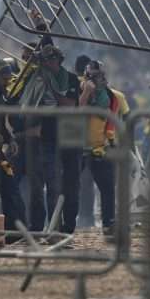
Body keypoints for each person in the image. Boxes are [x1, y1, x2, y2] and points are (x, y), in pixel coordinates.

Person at [17, 44, 78, 232]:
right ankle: (45, 227)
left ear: (58, 60)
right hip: (46, 139)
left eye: (51, 59)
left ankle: (65, 226)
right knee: (48, 185)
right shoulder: (35, 80)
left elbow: (68, 105)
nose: (48, 63)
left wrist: (51, 86)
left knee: (69, 186)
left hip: (70, 138)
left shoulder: (70, 79)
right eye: (45, 60)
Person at [77, 59, 127, 239]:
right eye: (93, 75)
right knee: (73, 187)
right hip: (79, 148)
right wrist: (86, 92)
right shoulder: (79, 88)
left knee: (107, 188)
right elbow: (75, 112)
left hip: (101, 147)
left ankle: (109, 224)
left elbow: (118, 119)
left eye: (100, 76)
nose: (97, 79)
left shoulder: (111, 96)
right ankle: (69, 222)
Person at [0, 58, 27, 234]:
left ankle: (15, 230)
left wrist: (10, 139)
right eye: (4, 78)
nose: (8, 82)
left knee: (9, 185)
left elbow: (0, 122)